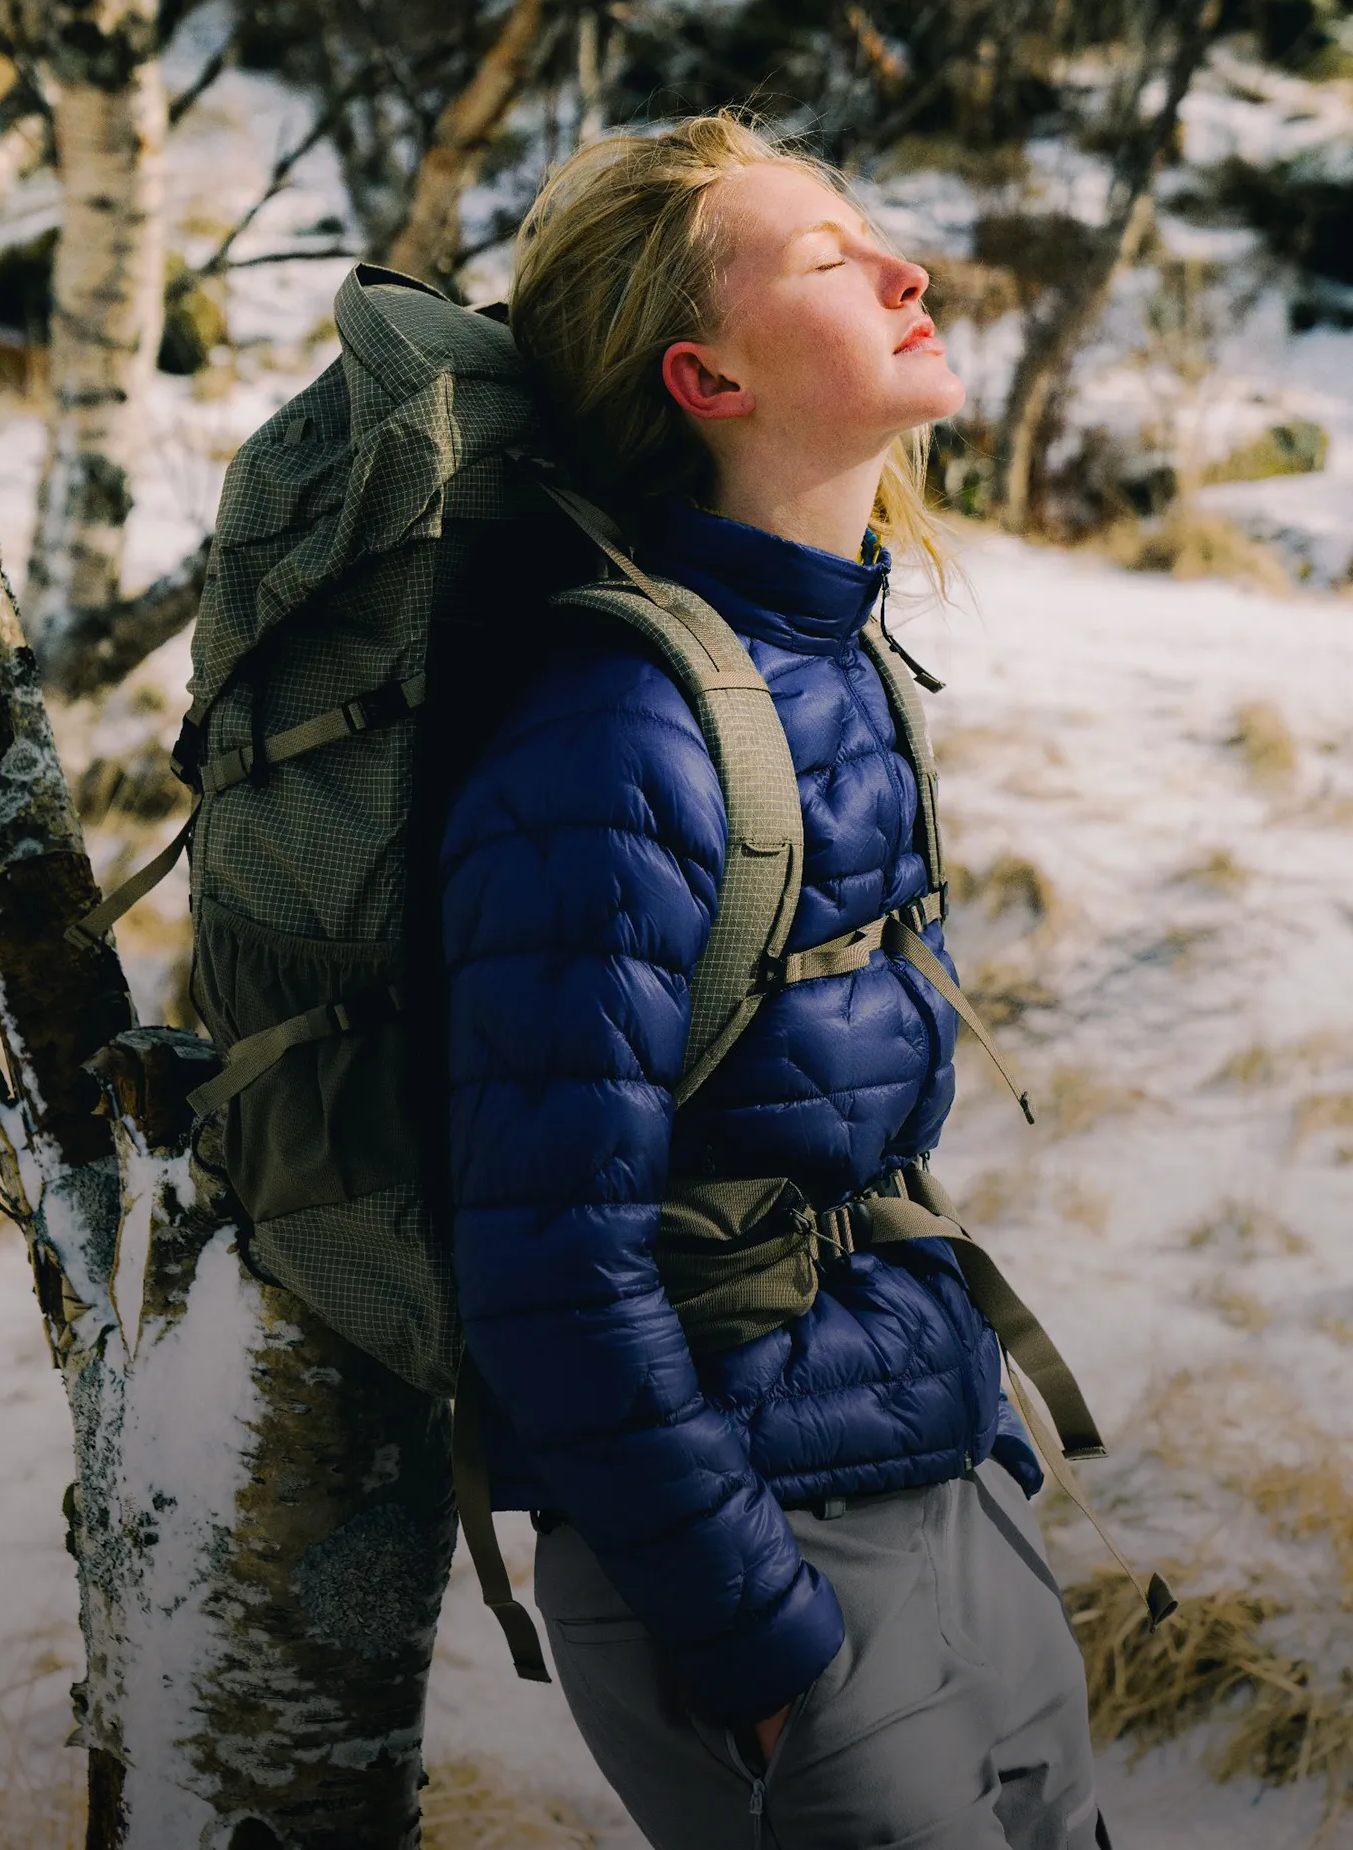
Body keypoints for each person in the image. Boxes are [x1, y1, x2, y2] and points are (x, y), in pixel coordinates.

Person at [438, 113, 1108, 1850]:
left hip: (933, 1467)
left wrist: (971, 1465)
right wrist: (749, 1623)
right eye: (828, 258)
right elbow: (544, 1257)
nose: (909, 273)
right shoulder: (619, 734)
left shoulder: (831, 651)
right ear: (706, 377)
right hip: (766, 1544)